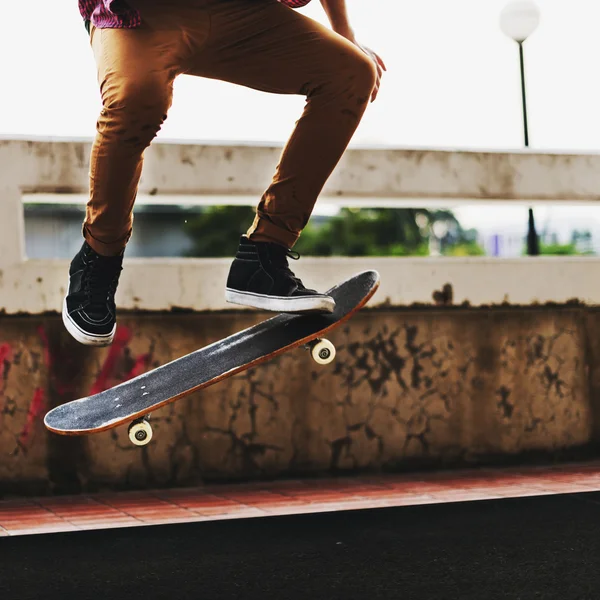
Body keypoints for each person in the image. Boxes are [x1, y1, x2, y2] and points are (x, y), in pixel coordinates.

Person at [64, 0, 385, 346]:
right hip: (140, 17)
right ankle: (100, 256)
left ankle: (264, 257)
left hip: (236, 11)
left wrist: (344, 31)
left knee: (351, 73)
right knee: (136, 97)